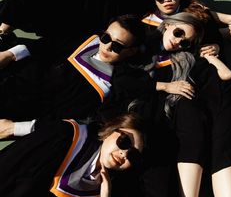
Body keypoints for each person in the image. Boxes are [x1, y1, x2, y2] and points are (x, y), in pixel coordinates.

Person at [146, 13, 231, 197]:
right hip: (175, 118)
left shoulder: (188, 59)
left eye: (185, 41)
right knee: (190, 118)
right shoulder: (146, 47)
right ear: (167, 24)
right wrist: (164, 86)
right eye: (178, 33)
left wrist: (212, 54)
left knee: (220, 140)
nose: (179, 41)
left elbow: (227, 77)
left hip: (211, 111)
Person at [0, 14, 154, 125]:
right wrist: (9, 54)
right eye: (106, 37)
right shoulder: (88, 39)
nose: (106, 46)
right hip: (16, 74)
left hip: (23, 106)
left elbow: (63, 118)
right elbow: (47, 45)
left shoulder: (111, 82)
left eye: (118, 46)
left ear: (131, 51)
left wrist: (16, 128)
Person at [0, 112, 146, 197]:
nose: (124, 154)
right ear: (111, 130)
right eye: (125, 140)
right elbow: (7, 168)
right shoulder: (66, 136)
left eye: (133, 156)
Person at [143, 0, 231, 61]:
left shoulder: (194, 12)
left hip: (203, 23)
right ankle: (228, 31)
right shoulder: (148, 23)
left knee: (203, 13)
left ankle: (230, 23)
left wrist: (217, 46)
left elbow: (213, 35)